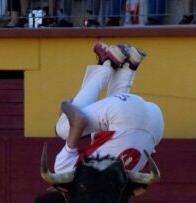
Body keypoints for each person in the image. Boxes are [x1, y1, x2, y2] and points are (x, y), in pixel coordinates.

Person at [52, 42, 163, 176]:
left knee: (109, 128)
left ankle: (129, 67)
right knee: (63, 129)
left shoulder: (117, 183)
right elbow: (78, 120)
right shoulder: (63, 170)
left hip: (155, 122)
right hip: (123, 113)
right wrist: (65, 105)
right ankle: (107, 65)